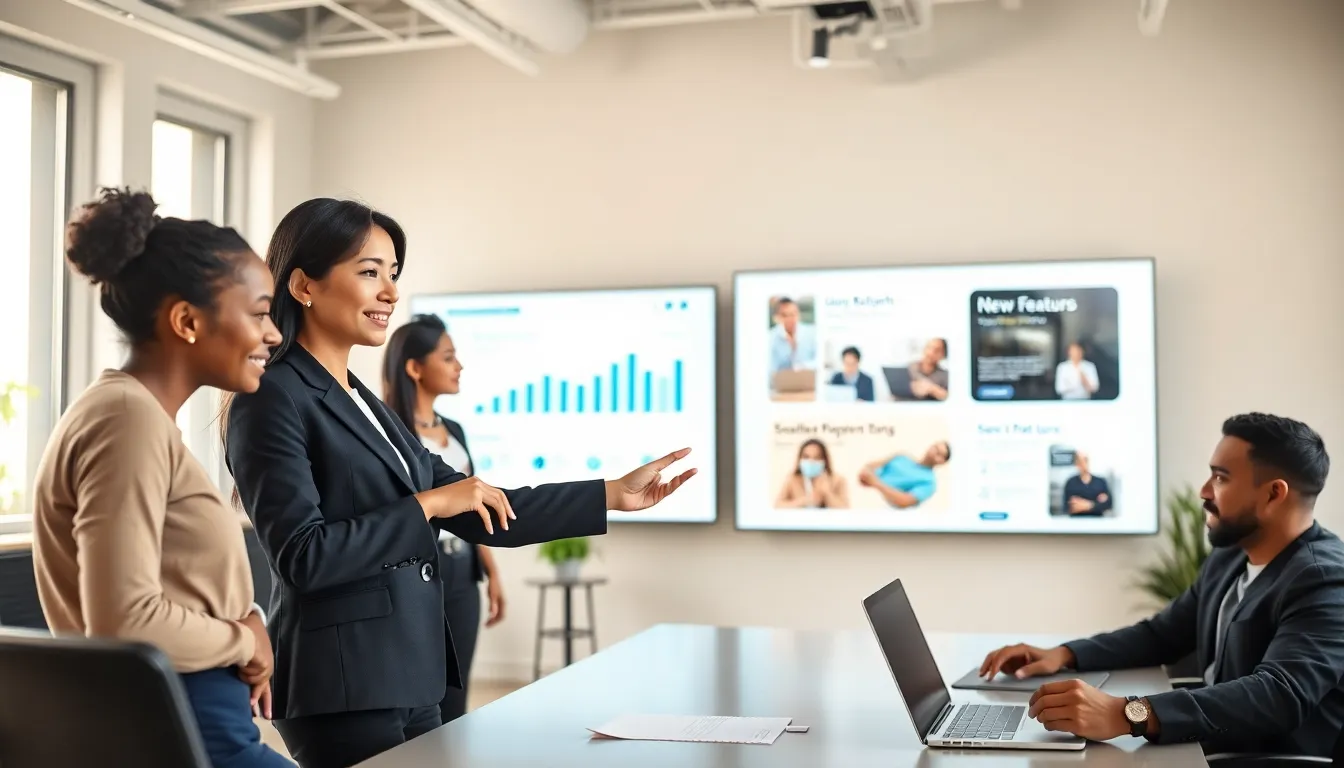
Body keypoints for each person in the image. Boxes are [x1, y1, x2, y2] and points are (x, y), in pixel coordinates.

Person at [223, 198, 695, 768]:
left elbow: (479, 506)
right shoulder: (274, 395)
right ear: (303, 284)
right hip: (345, 686)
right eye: (369, 272)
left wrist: (612, 493)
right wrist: (425, 505)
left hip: (413, 676)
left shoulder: (362, 400)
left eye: (393, 275)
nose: (391, 293)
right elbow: (303, 556)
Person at [29, 188, 292, 767]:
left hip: (198, 716)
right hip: (183, 724)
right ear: (186, 320)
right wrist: (246, 639)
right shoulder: (126, 420)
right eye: (258, 312)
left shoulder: (132, 416)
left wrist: (243, 622)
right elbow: (123, 619)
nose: (273, 333)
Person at [978, 413, 1344, 758]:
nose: (1204, 491)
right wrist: (1063, 654)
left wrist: (1130, 714)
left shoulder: (1324, 580)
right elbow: (1162, 635)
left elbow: (1278, 695)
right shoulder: (1231, 556)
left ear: (1273, 494)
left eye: (1221, 477)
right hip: (1205, 745)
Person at [381, 312, 505, 725]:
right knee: (421, 693)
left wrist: (491, 571)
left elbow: (477, 503)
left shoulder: (455, 429)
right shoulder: (389, 432)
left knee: (457, 695)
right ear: (414, 368)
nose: (459, 367)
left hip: (462, 573)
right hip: (417, 574)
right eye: (448, 357)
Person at [858, 441, 950, 508]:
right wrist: (869, 478)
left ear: (942, 462)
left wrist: (875, 483)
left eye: (939, 453)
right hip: (862, 495)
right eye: (934, 447)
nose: (933, 452)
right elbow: (869, 467)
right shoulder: (902, 457)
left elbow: (904, 501)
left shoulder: (929, 482)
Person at [776, 438, 849, 508]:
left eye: (817, 457)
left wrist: (827, 493)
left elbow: (845, 508)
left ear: (825, 460)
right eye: (806, 457)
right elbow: (778, 505)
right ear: (799, 459)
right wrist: (804, 501)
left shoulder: (838, 480)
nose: (811, 461)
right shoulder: (792, 479)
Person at [767, 296, 817, 375]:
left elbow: (819, 362)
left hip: (807, 380)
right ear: (776, 318)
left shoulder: (812, 333)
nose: (790, 319)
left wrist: (801, 367)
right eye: (785, 315)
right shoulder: (770, 337)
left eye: (794, 314)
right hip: (782, 382)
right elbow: (770, 369)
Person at [1062, 450, 1112, 516]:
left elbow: (1108, 504)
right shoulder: (1071, 483)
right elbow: (1068, 507)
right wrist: (1096, 504)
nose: (1083, 463)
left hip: (1097, 523)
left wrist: (1088, 505)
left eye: (1085, 460)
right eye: (1080, 461)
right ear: (1076, 463)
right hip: (1076, 523)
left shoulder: (1100, 482)